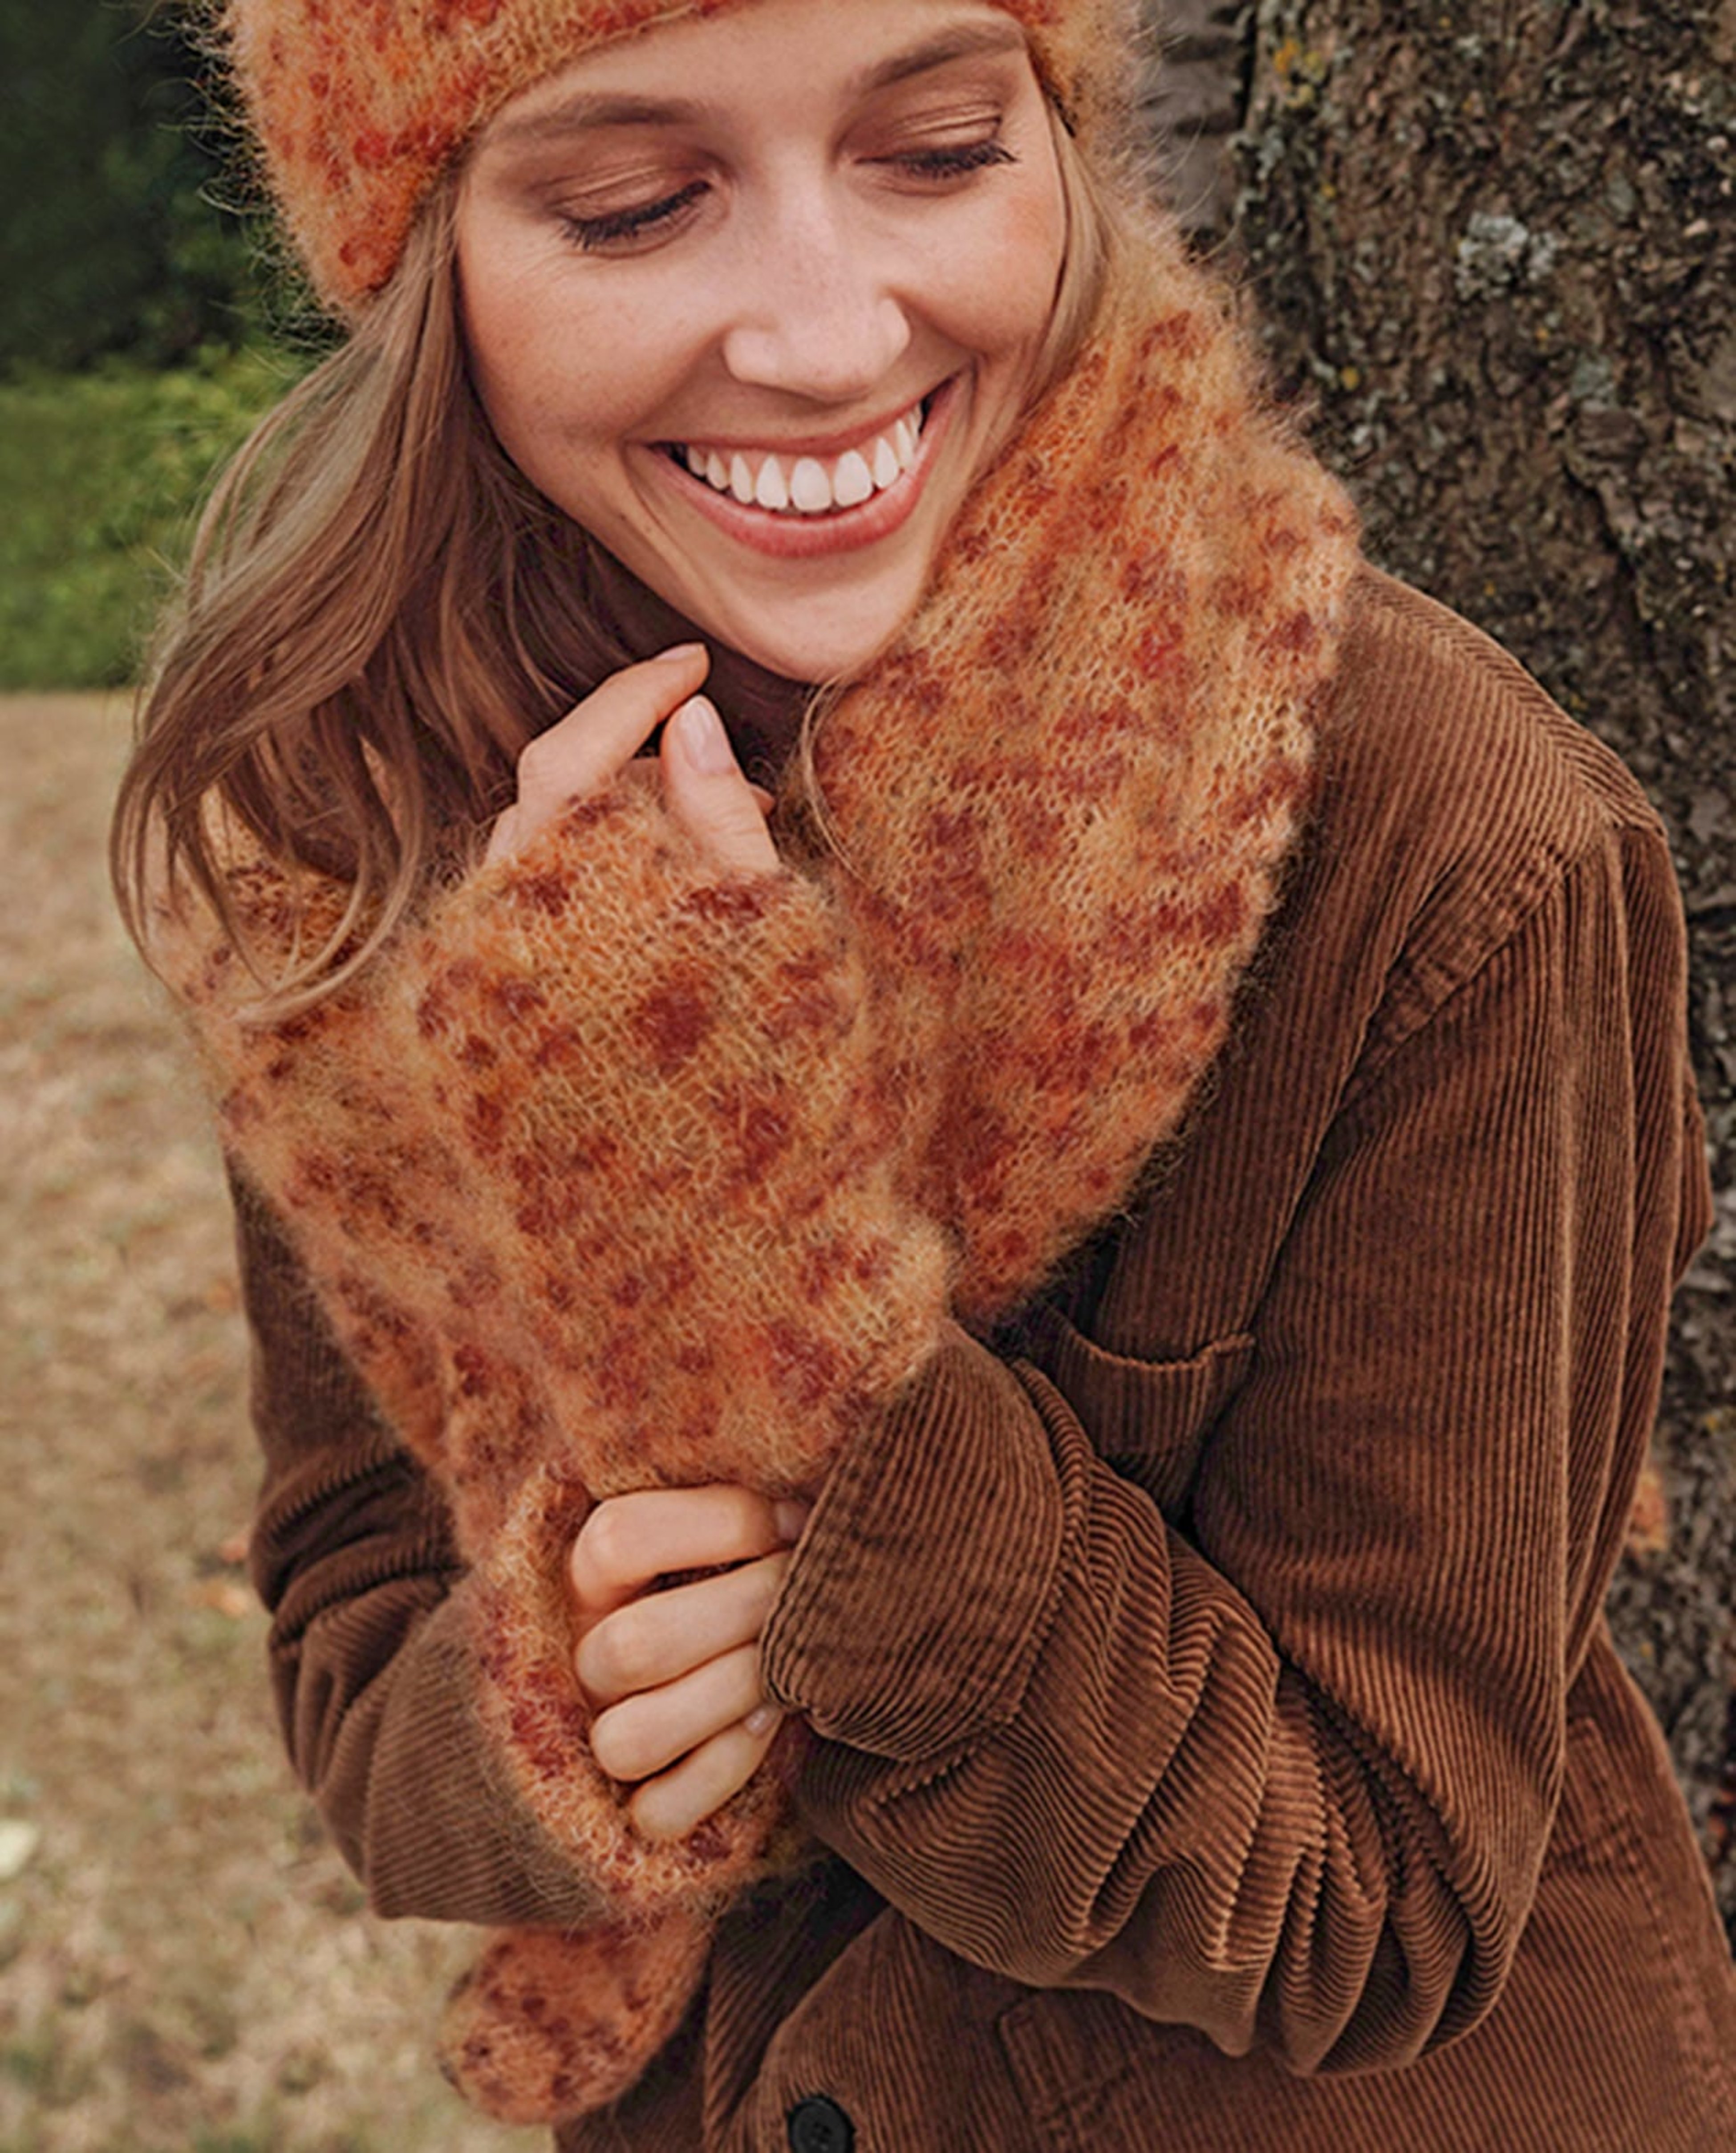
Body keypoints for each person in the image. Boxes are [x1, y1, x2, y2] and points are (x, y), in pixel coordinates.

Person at [113, 0, 1736, 2145]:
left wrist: (789, 1347)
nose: (820, 333)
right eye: (633, 201)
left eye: (941, 147)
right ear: (427, 262)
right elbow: (351, 1637)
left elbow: (1378, 1908)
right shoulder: (356, 837)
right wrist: (570, 1715)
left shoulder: (1452, 851)